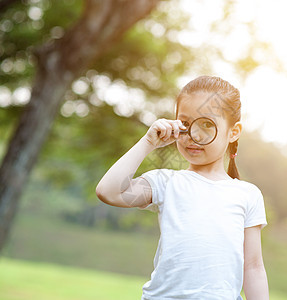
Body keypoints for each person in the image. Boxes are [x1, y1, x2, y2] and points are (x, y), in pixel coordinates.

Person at [96, 76, 269, 300]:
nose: (193, 136)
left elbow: (253, 267)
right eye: (186, 124)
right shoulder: (166, 183)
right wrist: (148, 143)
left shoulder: (248, 195)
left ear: (233, 132)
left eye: (207, 124)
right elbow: (109, 192)